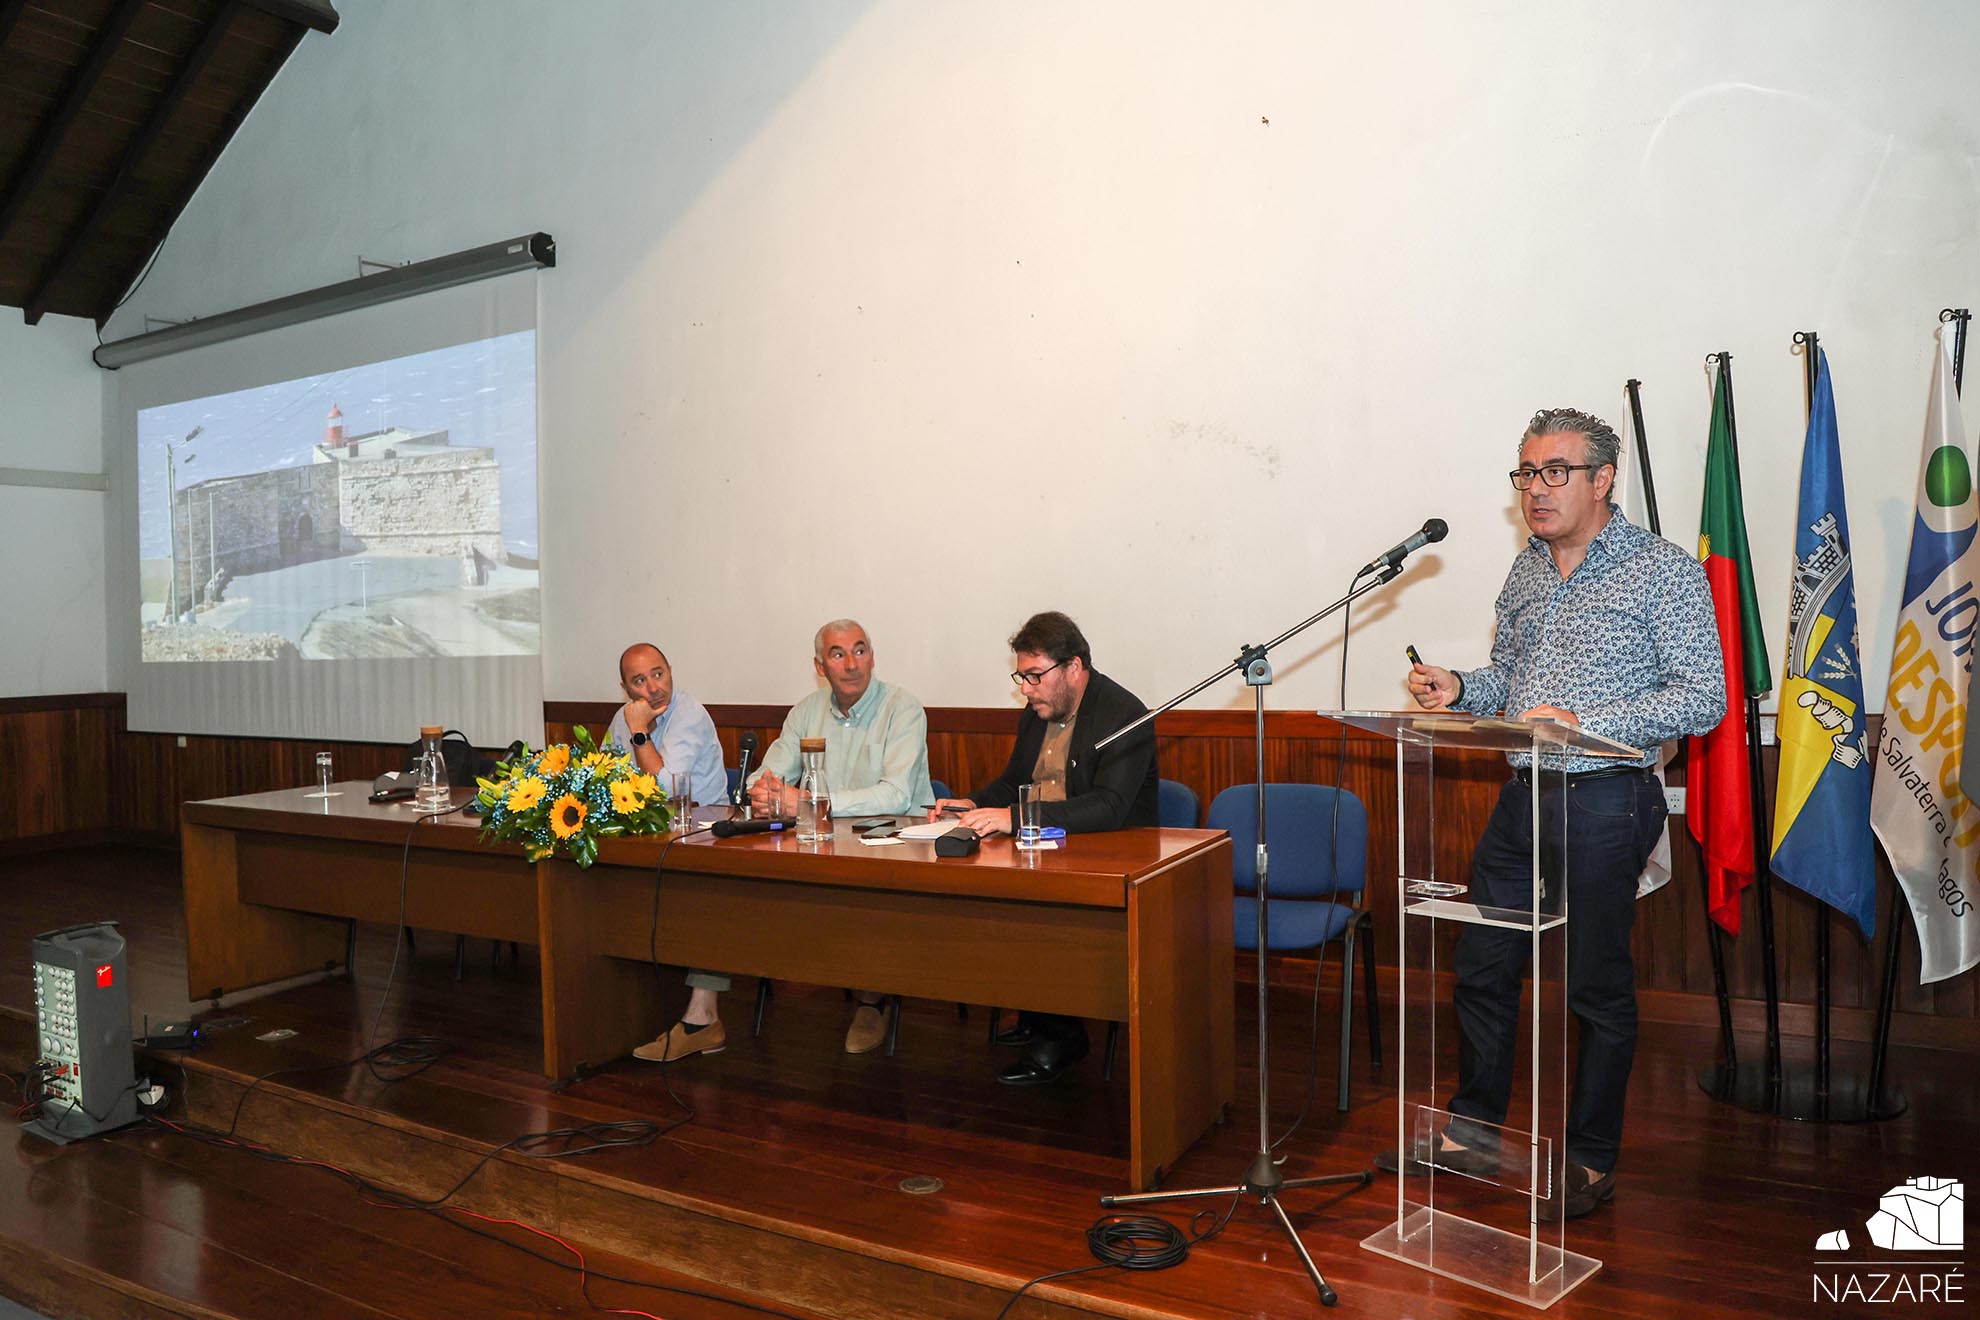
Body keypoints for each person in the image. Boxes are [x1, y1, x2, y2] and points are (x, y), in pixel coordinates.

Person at [1385, 408, 1724, 1220]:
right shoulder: (1527, 573)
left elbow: (1703, 697)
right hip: (1523, 792)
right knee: (1483, 965)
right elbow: (1510, 678)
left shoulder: (1663, 571)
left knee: (1595, 986)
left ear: (1602, 480)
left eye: (1554, 473)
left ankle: (1589, 1159)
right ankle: (1472, 1131)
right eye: (1526, 474)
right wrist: (1464, 688)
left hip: (1608, 797)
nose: (1536, 490)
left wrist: (1589, 719)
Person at [932, 610, 1159, 1084]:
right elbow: (1016, 782)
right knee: (993, 897)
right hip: (1043, 845)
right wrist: (973, 804)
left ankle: (1063, 1036)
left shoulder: (1124, 714)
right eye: (1022, 676)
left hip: (1108, 855)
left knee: (1044, 910)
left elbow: (1109, 808)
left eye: (1035, 676)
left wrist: (1013, 819)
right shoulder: (1038, 714)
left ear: (1074, 667)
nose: (1026, 688)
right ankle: (1040, 1013)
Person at [741, 619, 935, 1053]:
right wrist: (767, 792)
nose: (852, 664)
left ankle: (871, 1002)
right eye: (838, 654)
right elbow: (765, 776)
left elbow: (897, 795)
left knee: (862, 891)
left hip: (893, 844)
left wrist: (809, 803)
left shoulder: (903, 708)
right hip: (820, 844)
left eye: (860, 650)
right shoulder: (806, 712)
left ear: (872, 655)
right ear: (819, 666)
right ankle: (702, 1015)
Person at [603, 643, 728, 1064]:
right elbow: (605, 778)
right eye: (640, 680)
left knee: (707, 899)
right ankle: (613, 1010)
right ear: (624, 687)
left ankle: (700, 1020)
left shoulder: (688, 714)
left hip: (706, 838)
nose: (654, 688)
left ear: (671, 671)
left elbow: (670, 791)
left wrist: (640, 734)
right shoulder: (622, 720)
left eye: (659, 674)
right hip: (650, 838)